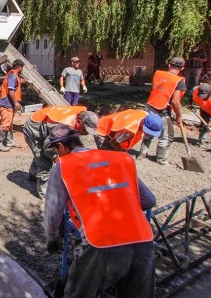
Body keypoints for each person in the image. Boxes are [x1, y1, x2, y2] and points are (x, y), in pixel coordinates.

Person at [43, 124, 157, 298]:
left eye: (56, 151)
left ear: (61, 146)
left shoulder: (63, 165)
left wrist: (52, 237)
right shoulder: (120, 158)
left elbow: (53, 210)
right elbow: (149, 200)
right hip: (142, 239)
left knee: (79, 293)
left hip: (101, 243)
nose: (57, 155)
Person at [23, 106, 99, 197]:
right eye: (84, 130)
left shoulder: (83, 113)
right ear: (78, 122)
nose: (85, 133)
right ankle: (45, 195)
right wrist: (56, 158)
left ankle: (32, 176)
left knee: (39, 156)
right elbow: (48, 148)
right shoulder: (63, 127)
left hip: (45, 125)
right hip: (33, 129)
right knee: (45, 162)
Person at [139, 57, 186, 165]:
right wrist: (179, 116)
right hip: (162, 110)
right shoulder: (179, 81)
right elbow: (175, 101)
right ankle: (161, 159)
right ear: (182, 68)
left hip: (150, 106)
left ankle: (142, 153)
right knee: (167, 136)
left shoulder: (158, 73)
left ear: (169, 65)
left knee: (149, 131)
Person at [96, 109, 163, 152]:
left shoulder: (145, 115)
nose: (148, 135)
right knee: (108, 158)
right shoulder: (130, 129)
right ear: (143, 123)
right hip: (103, 130)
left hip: (113, 126)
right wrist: (124, 154)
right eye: (147, 132)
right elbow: (113, 142)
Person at [0, 59, 24, 152]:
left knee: (9, 124)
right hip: (6, 104)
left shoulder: (13, 75)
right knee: (5, 124)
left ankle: (9, 142)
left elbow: (14, 85)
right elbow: (10, 90)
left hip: (9, 104)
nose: (22, 69)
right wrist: (16, 102)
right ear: (19, 67)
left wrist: (23, 81)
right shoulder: (12, 76)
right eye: (22, 68)